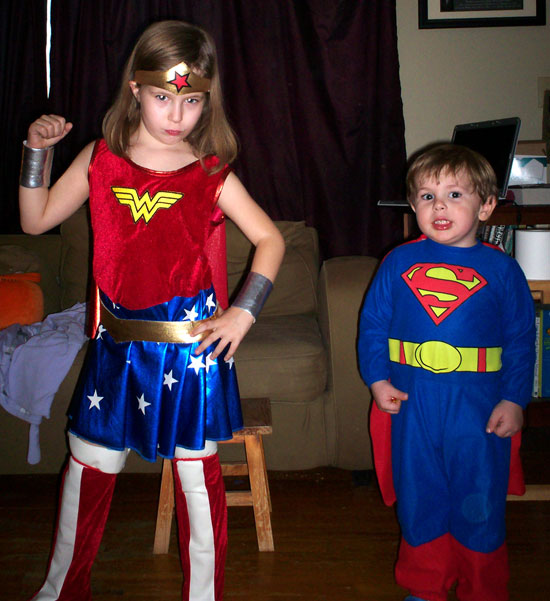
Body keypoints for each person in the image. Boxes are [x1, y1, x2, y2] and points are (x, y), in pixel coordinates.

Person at [19, 20, 285, 601]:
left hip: (192, 353)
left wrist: (243, 313)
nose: (176, 115)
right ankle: (60, 590)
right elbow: (34, 220)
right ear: (135, 90)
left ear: (205, 102)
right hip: (117, 349)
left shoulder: (211, 171)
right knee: (88, 468)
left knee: (196, 478)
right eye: (163, 97)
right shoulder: (100, 159)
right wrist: (36, 153)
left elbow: (271, 240)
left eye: (191, 101)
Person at [357, 144, 535, 601]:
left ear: (487, 205)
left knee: (480, 500)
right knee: (420, 497)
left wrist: (515, 400)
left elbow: (520, 339)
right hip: (414, 406)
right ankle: (425, 582)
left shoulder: (503, 269)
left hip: (477, 408)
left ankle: (482, 587)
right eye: (426, 196)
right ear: (413, 205)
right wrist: (377, 379)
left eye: (455, 194)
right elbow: (373, 326)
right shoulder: (397, 262)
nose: (439, 206)